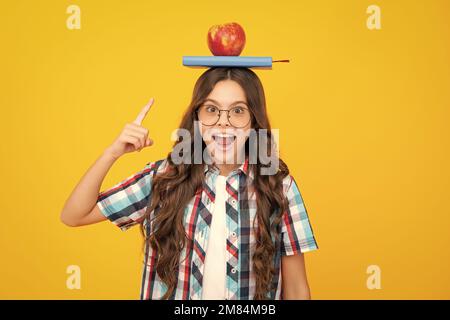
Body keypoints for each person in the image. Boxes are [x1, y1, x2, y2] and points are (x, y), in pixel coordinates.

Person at [60, 67, 319, 300]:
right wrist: (112, 153)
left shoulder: (279, 187)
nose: (223, 122)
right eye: (212, 109)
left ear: (254, 122)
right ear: (197, 117)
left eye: (238, 111)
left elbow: (296, 290)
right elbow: (74, 215)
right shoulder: (164, 179)